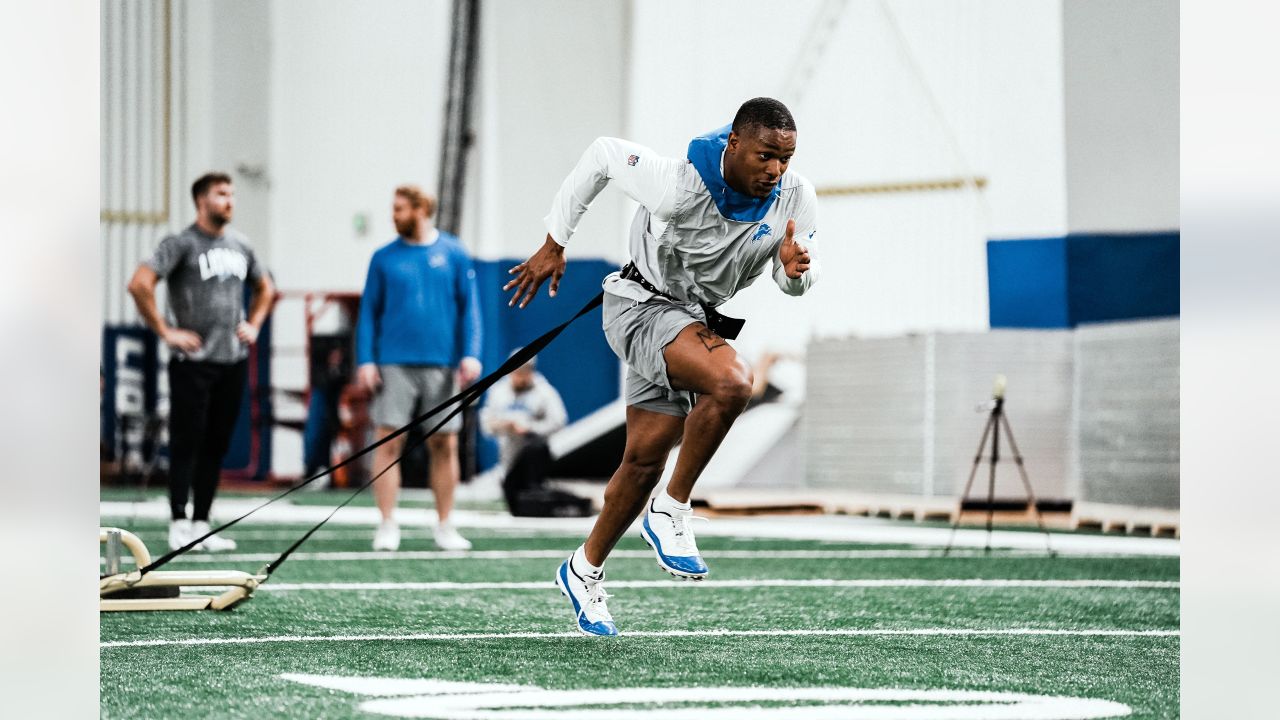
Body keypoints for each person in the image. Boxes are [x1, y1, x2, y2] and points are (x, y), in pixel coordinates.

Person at [504, 97, 819, 635]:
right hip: (638, 307)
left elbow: (794, 286)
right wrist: (555, 242)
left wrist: (792, 273)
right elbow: (604, 155)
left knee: (642, 462)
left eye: (785, 159)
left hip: (690, 319)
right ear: (734, 144)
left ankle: (583, 569)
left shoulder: (795, 197)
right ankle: (672, 510)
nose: (775, 170)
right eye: (765, 155)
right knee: (734, 382)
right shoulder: (678, 183)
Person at [127, 171, 276, 552]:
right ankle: (178, 520)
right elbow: (140, 283)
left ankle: (201, 524)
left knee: (216, 443)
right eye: (221, 194)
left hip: (232, 359)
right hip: (193, 361)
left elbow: (265, 287)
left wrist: (255, 324)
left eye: (232, 194)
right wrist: (166, 330)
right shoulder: (181, 243)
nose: (229, 201)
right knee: (186, 441)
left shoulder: (241, 245)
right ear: (201, 201)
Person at [356, 184, 482, 552]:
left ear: (421, 209)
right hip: (393, 363)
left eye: (400, 209)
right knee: (388, 442)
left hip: (442, 365)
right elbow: (368, 313)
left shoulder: (455, 253)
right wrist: (366, 359)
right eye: (393, 209)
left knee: (445, 444)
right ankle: (387, 523)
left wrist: (470, 353)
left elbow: (469, 309)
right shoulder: (383, 258)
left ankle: (445, 525)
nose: (394, 215)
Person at [479, 356, 568, 513]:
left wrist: (530, 428)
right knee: (514, 503)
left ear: (530, 372)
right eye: (516, 372)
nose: (519, 377)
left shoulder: (544, 391)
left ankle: (538, 488)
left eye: (524, 372)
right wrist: (505, 424)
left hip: (533, 455)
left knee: (536, 447)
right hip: (508, 455)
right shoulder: (498, 391)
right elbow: (486, 425)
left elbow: (559, 421)